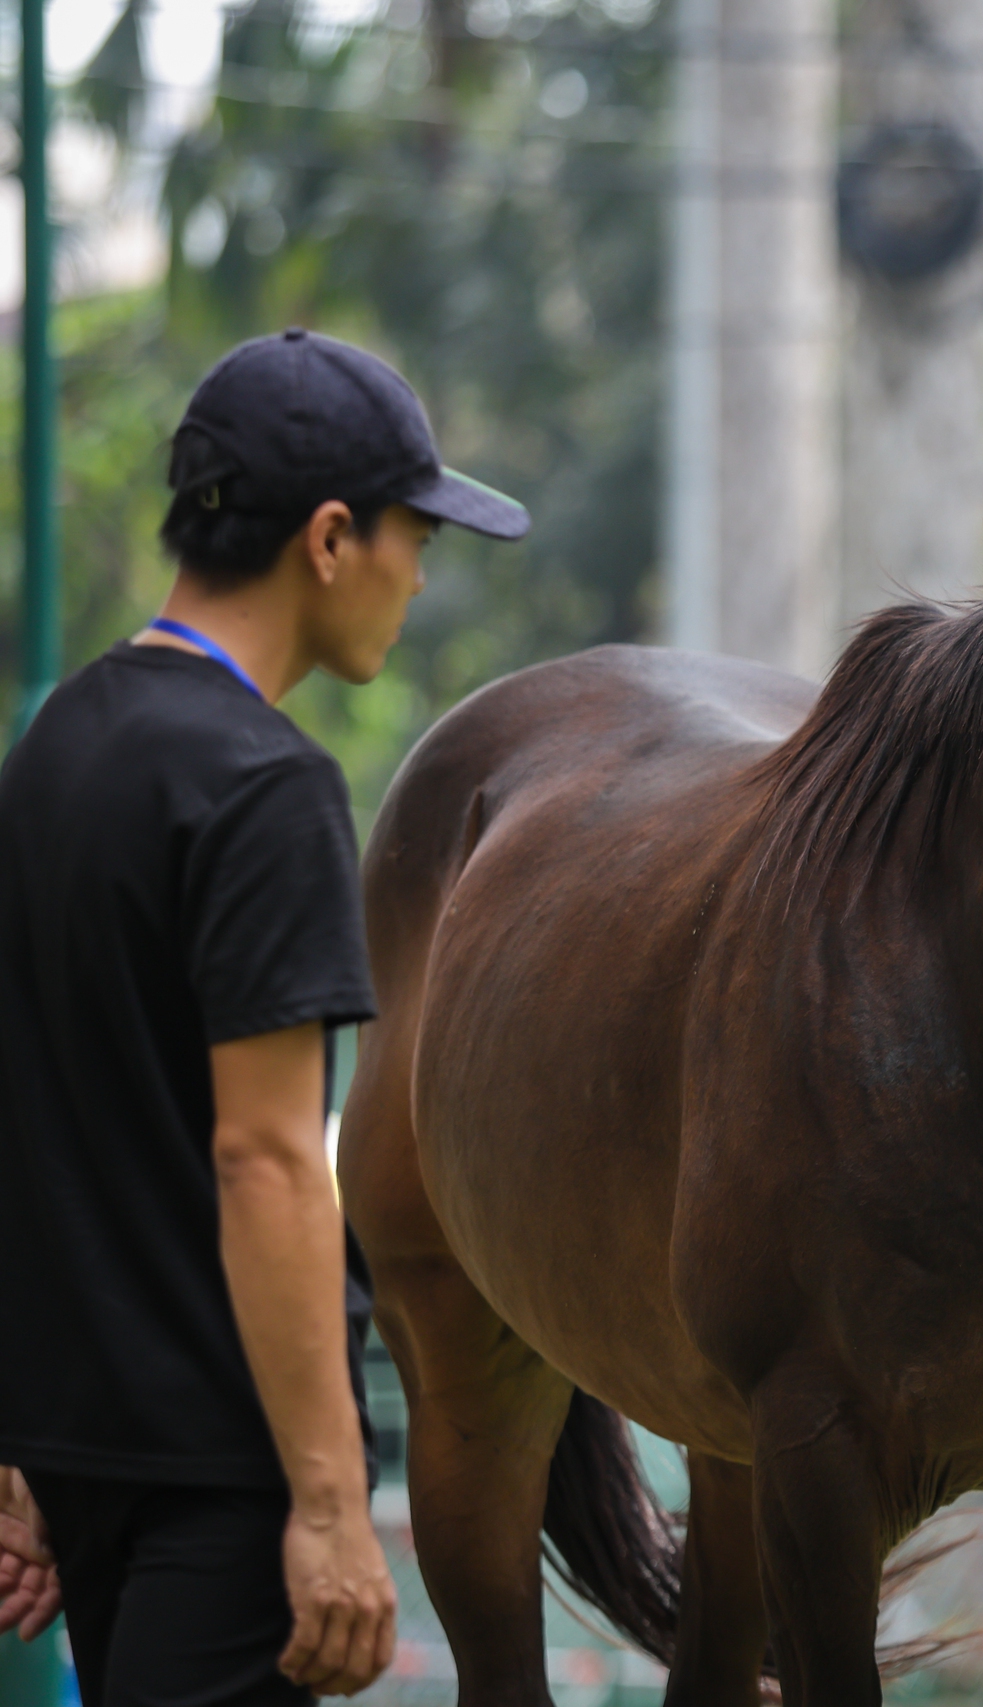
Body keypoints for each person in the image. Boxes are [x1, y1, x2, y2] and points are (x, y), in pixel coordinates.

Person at [0, 329, 529, 1703]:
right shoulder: (262, 784)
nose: (421, 574)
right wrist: (328, 1502)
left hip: (79, 1467)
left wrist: (20, 1443)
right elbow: (271, 1156)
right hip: (222, 1489)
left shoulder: (55, 743)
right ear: (333, 536)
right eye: (417, 532)